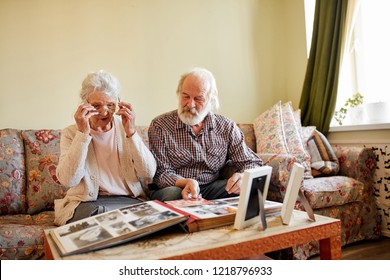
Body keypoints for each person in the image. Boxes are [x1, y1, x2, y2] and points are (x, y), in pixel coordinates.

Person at [54, 70, 156, 226]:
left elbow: (148, 172)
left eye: (110, 105)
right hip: (88, 203)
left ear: (118, 103)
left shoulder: (126, 128)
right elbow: (68, 179)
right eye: (96, 105)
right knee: (97, 217)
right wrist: (82, 134)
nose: (104, 112)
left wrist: (132, 133)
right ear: (84, 104)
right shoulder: (71, 133)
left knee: (150, 217)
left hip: (128, 201)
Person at [148, 67, 263, 201]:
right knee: (172, 194)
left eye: (198, 99)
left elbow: (252, 162)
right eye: (185, 96)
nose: (190, 104)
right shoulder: (160, 125)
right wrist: (186, 182)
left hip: (211, 188)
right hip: (175, 188)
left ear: (211, 100)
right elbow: (161, 173)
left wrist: (243, 177)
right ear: (179, 94)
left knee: (249, 187)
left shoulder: (226, 127)